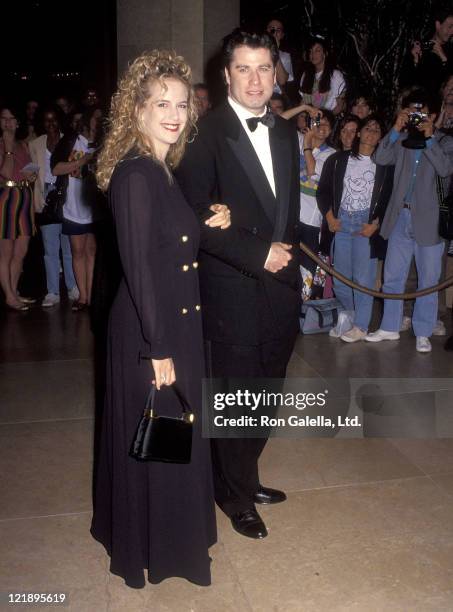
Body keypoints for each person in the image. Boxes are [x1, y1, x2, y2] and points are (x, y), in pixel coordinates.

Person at [91, 50, 231, 588]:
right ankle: (157, 546)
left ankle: (168, 538)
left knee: (171, 438)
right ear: (137, 111)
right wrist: (159, 348)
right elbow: (140, 267)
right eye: (160, 103)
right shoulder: (134, 173)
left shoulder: (157, 167)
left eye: (180, 104)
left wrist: (202, 220)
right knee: (161, 439)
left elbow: (162, 241)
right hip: (154, 331)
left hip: (171, 324)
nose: (174, 113)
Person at [177, 30, 301, 540]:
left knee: (266, 393)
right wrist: (258, 252)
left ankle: (243, 477)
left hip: (282, 288)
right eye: (244, 69)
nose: (255, 80)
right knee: (234, 399)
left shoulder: (285, 132)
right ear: (225, 74)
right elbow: (194, 216)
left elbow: (285, 211)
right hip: (231, 292)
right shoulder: (202, 135)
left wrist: (297, 261)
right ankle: (233, 495)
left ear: (276, 74)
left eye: (264, 68)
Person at [365, 90, 453, 353]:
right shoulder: (401, 140)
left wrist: (428, 138)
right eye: (411, 111)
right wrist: (395, 127)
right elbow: (379, 158)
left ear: (433, 115)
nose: (416, 116)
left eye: (421, 112)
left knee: (429, 279)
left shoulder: (444, 142)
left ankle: (423, 331)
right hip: (399, 216)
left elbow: (445, 170)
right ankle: (390, 327)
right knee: (393, 276)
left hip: (429, 219)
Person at [317, 115, 394, 341]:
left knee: (363, 280)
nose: (371, 132)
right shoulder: (338, 160)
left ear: (381, 138)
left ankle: (361, 326)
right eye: (367, 128)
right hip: (341, 222)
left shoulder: (384, 166)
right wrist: (330, 218)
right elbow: (323, 191)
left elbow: (389, 199)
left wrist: (376, 224)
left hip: (365, 225)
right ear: (359, 132)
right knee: (340, 280)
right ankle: (350, 318)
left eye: (377, 129)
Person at [29, 106, 79, 307]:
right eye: (47, 120)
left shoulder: (70, 140)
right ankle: (52, 291)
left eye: (54, 120)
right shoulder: (35, 144)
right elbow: (32, 169)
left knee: (69, 248)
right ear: (42, 123)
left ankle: (72, 286)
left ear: (60, 121)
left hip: (67, 196)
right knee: (50, 250)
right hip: (46, 198)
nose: (51, 124)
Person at [51, 111, 99, 311]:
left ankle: (92, 296)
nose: (96, 124)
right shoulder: (70, 142)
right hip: (72, 205)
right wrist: (82, 161)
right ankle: (83, 297)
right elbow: (55, 169)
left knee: (92, 251)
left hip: (95, 207)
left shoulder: (103, 144)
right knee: (77, 251)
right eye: (93, 119)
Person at [0, 105, 37, 311]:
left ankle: (14, 292)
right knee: (5, 252)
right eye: (3, 119)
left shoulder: (23, 145)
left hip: (24, 196)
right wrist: (6, 146)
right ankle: (9, 296)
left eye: (11, 118)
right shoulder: (1, 144)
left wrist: (31, 175)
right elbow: (5, 172)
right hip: (5, 197)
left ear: (18, 122)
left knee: (21, 250)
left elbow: (29, 172)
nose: (7, 122)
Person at [299, 110, 336, 299]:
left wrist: (307, 144)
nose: (321, 128)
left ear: (330, 131)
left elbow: (312, 169)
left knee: (307, 268)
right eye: (318, 122)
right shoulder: (298, 141)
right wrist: (303, 107)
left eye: (326, 125)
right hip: (291, 217)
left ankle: (305, 310)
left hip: (312, 221)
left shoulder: (331, 155)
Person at [401, 7, 453, 94]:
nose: (452, 31)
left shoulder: (450, 51)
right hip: (424, 102)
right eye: (450, 27)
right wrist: (415, 61)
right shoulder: (422, 47)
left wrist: (443, 58)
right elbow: (407, 84)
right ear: (438, 25)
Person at [299, 37, 346, 115]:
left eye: (317, 50)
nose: (313, 54)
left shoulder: (335, 75)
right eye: (311, 51)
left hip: (327, 119)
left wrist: (326, 120)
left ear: (325, 54)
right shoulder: (306, 74)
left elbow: (341, 104)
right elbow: (303, 101)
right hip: (310, 117)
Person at [266, 19, 294, 95]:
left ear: (282, 35)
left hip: (276, 97)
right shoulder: (255, 51)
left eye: (278, 30)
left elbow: (282, 81)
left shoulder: (285, 56)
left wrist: (275, 51)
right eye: (272, 29)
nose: (274, 32)